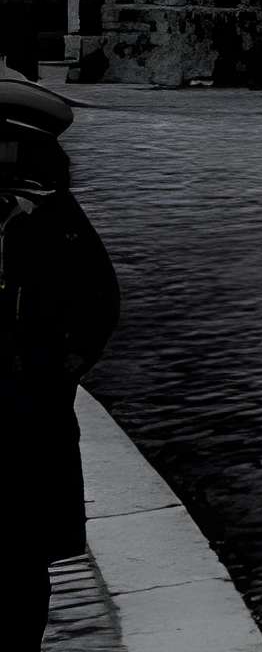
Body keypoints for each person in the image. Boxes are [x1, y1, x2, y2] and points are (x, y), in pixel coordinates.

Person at [0, 74, 119, 652]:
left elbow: (97, 305)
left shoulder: (55, 220)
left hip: (26, 418)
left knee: (21, 559)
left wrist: (54, 376)